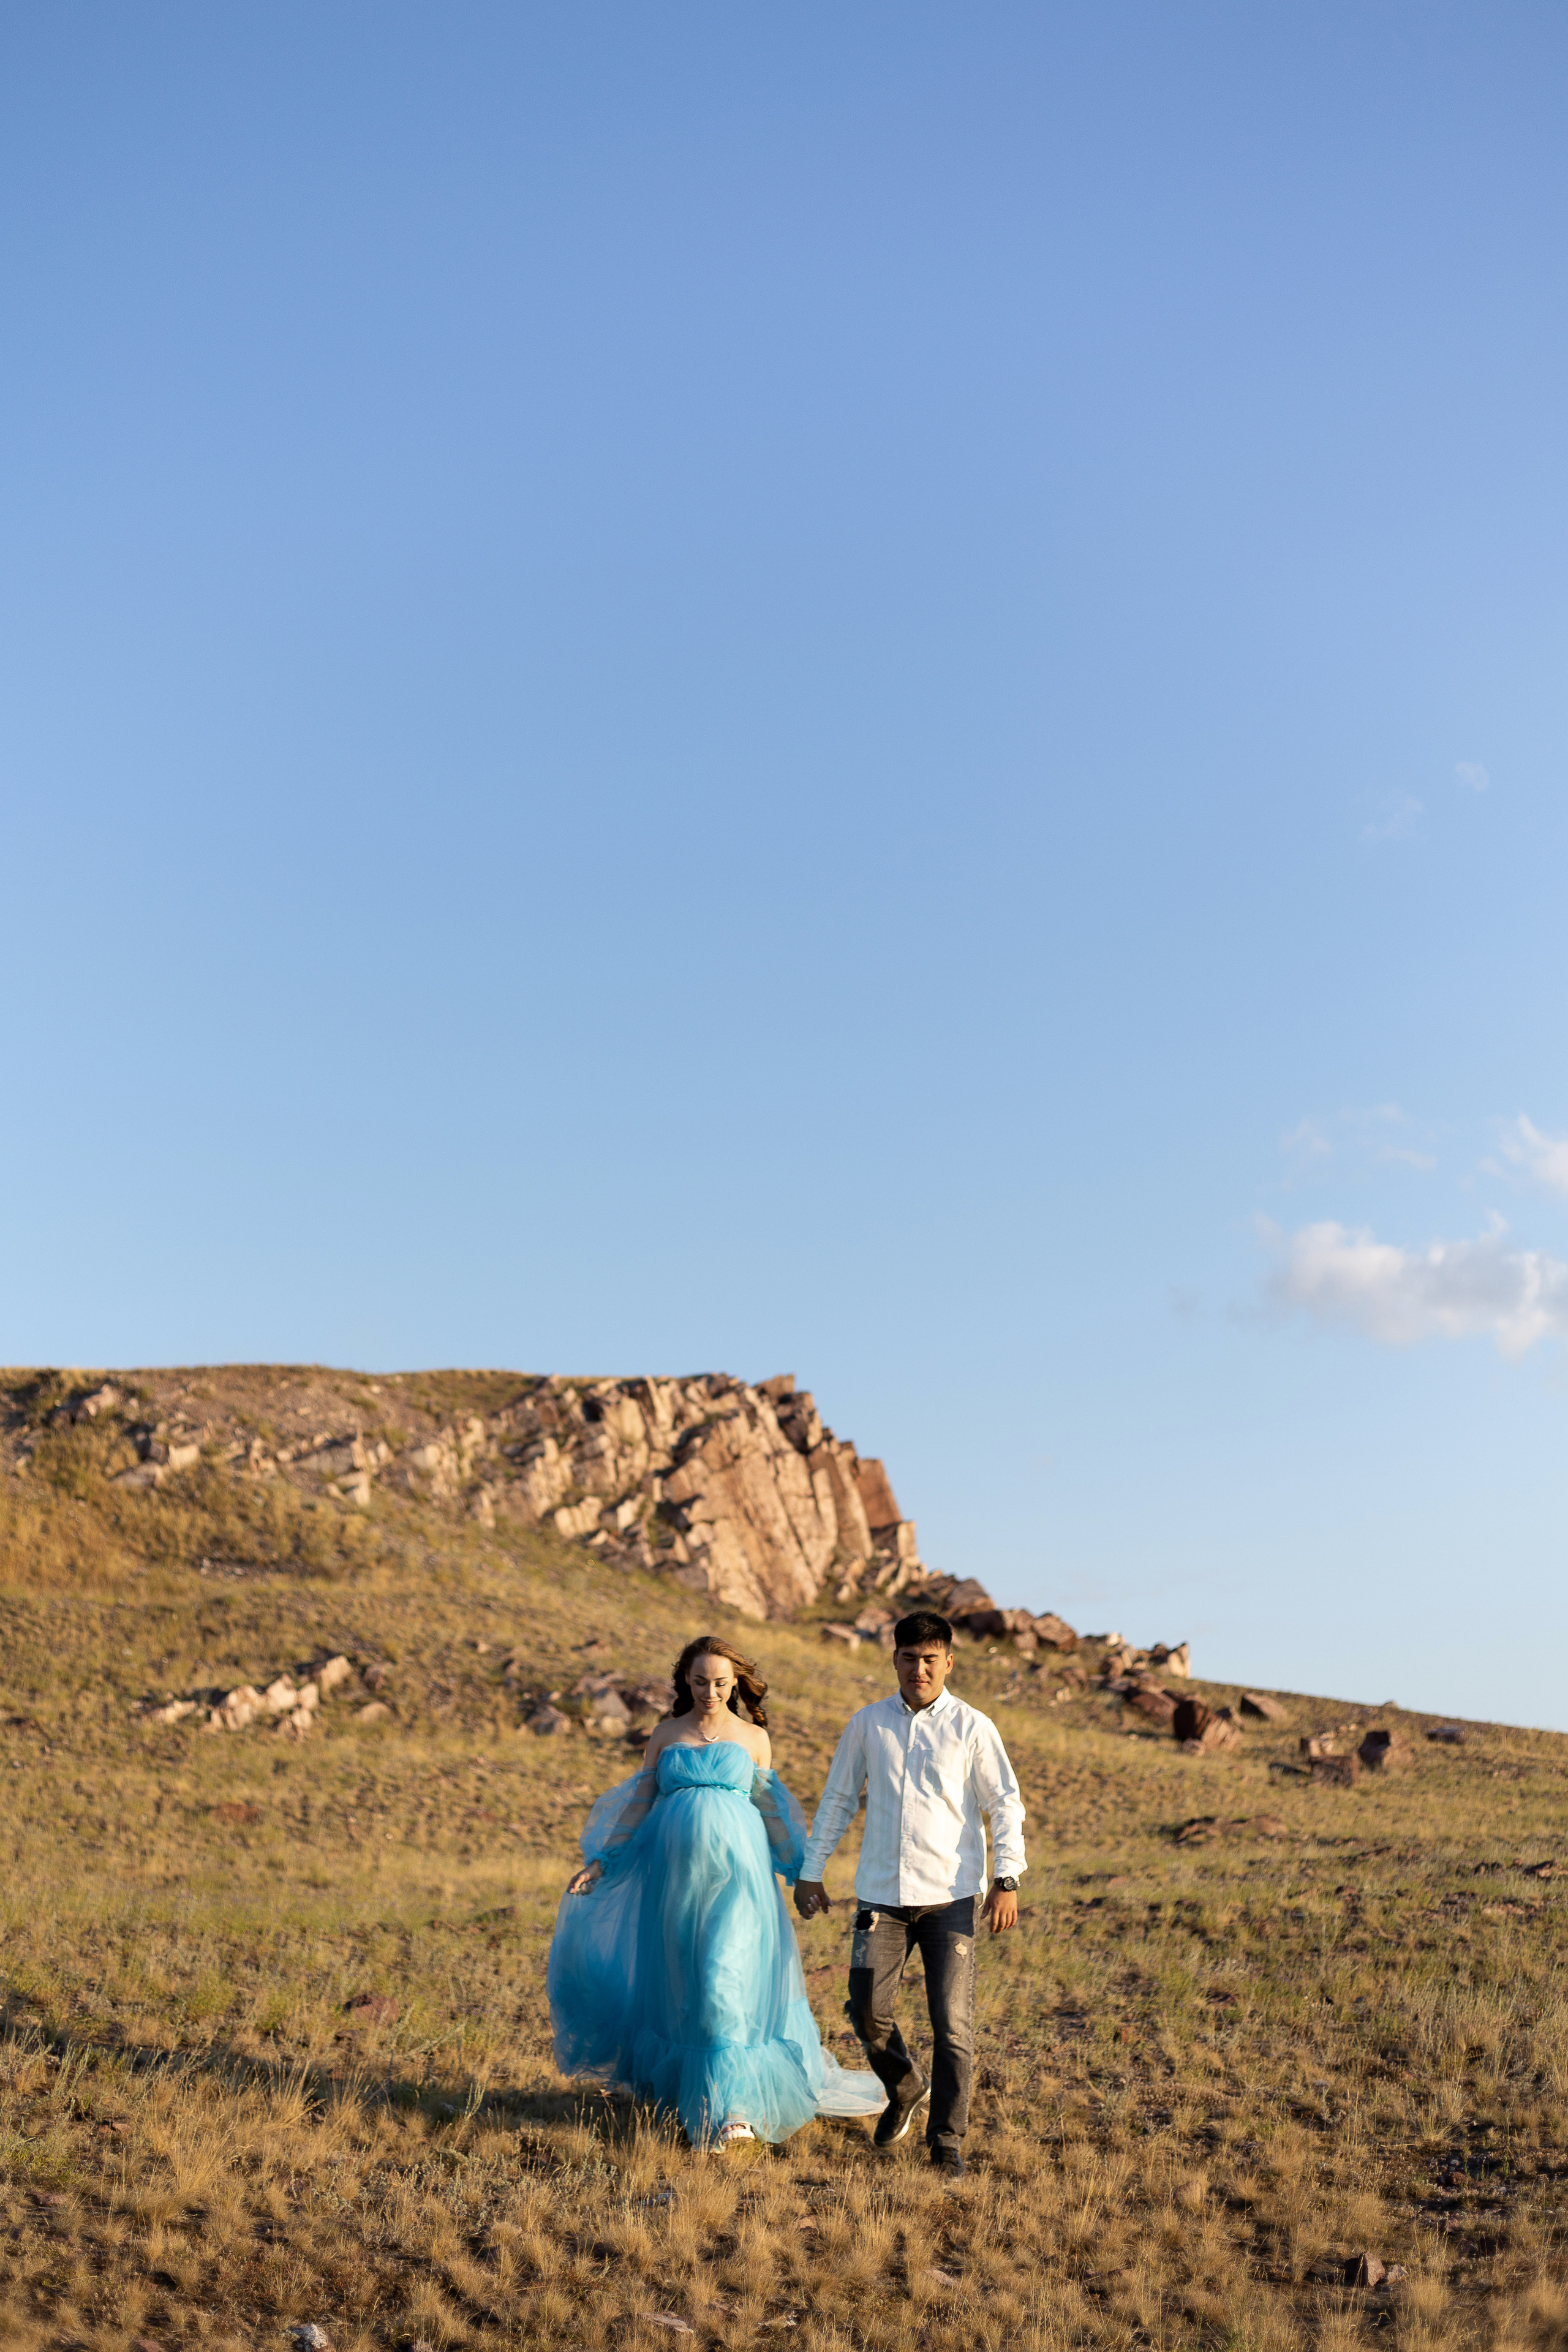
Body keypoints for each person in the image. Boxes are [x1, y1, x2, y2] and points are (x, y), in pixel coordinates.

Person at [548, 1635, 883, 2148]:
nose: (711, 1692)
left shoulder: (752, 1738)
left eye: (722, 1683)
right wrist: (601, 1861)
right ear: (686, 1679)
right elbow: (638, 1805)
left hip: (742, 1881)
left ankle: (736, 2112)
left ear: (735, 1683)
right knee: (687, 1986)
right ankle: (696, 2094)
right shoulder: (665, 1735)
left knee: (725, 1976)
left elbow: (773, 1812)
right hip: (675, 1885)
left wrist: (802, 1873)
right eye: (701, 1681)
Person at [793, 1609, 1026, 2177]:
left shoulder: (973, 1726)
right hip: (882, 1897)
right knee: (866, 2010)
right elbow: (838, 1800)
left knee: (953, 2026)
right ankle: (904, 2084)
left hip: (952, 1899)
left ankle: (946, 2140)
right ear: (894, 1659)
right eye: (908, 1658)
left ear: (948, 1661)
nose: (919, 1669)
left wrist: (1007, 1878)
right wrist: (811, 1868)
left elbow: (1004, 1804)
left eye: (930, 1660)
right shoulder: (867, 1725)